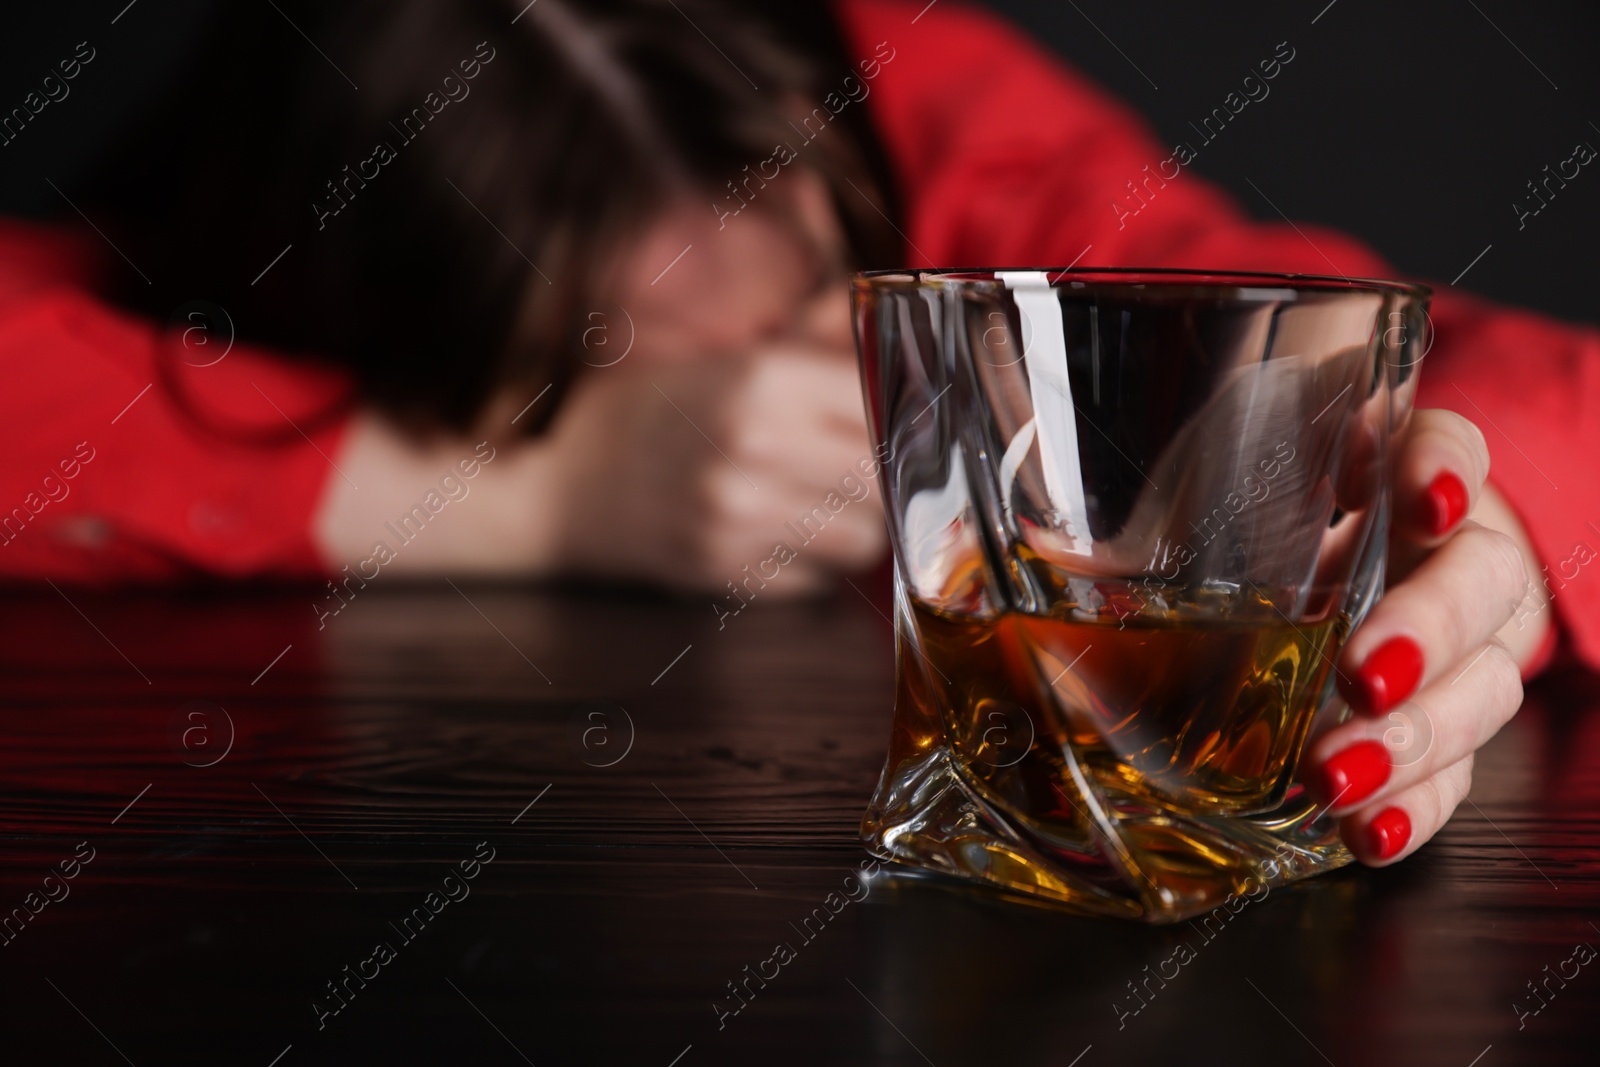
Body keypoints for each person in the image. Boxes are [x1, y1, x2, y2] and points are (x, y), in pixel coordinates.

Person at [0, 0, 1593, 871]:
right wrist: (527, 500)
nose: (779, 422)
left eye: (806, 325)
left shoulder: (920, 106)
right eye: (613, 368)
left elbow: (1363, 348)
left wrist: (1467, 508)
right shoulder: (227, 252)